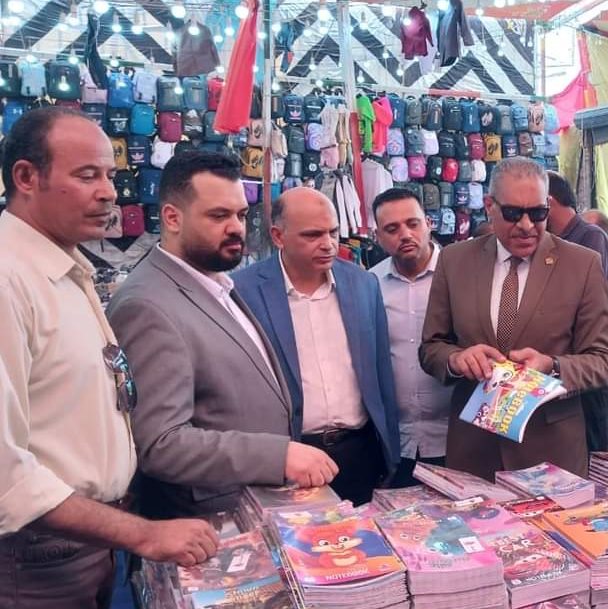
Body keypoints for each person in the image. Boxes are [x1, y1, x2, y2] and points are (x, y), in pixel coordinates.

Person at [0, 108, 217, 608]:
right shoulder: (10, 282)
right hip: (36, 561)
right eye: (86, 176)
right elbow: (6, 477)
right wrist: (143, 534)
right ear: (26, 177)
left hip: (88, 546)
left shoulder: (62, 270)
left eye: (109, 175)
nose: (109, 193)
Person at [107, 151, 337, 519]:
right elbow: (161, 444)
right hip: (207, 522)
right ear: (172, 218)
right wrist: (278, 456)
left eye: (241, 215)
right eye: (218, 216)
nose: (236, 228)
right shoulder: (147, 305)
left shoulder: (214, 282)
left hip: (255, 509)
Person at [420, 157, 608, 480]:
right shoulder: (455, 261)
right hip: (474, 450)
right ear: (489, 206)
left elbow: (604, 361)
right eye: (513, 213)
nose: (526, 225)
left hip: (551, 453)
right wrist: (456, 360)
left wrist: (551, 366)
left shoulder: (582, 265)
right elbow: (431, 347)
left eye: (538, 213)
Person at [232, 188, 400, 505]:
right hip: (288, 456)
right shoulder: (243, 292)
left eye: (333, 232)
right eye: (312, 235)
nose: (328, 244)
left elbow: (381, 373)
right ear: (278, 237)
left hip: (359, 453)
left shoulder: (363, 284)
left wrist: (389, 451)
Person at [369, 188, 455, 487]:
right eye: (392, 229)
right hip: (397, 443)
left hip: (458, 437)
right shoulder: (371, 284)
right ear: (378, 236)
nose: (405, 234)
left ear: (429, 223)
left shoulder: (460, 275)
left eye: (412, 224)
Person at [545, 172, 608, 451]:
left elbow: (577, 301)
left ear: (548, 202)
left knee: (590, 448)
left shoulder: (590, 237)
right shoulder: (550, 240)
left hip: (585, 368)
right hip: (557, 370)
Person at [545, 171, 608, 276]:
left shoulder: (592, 236)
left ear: (548, 202)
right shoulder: (544, 239)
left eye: (533, 205)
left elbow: (590, 283)